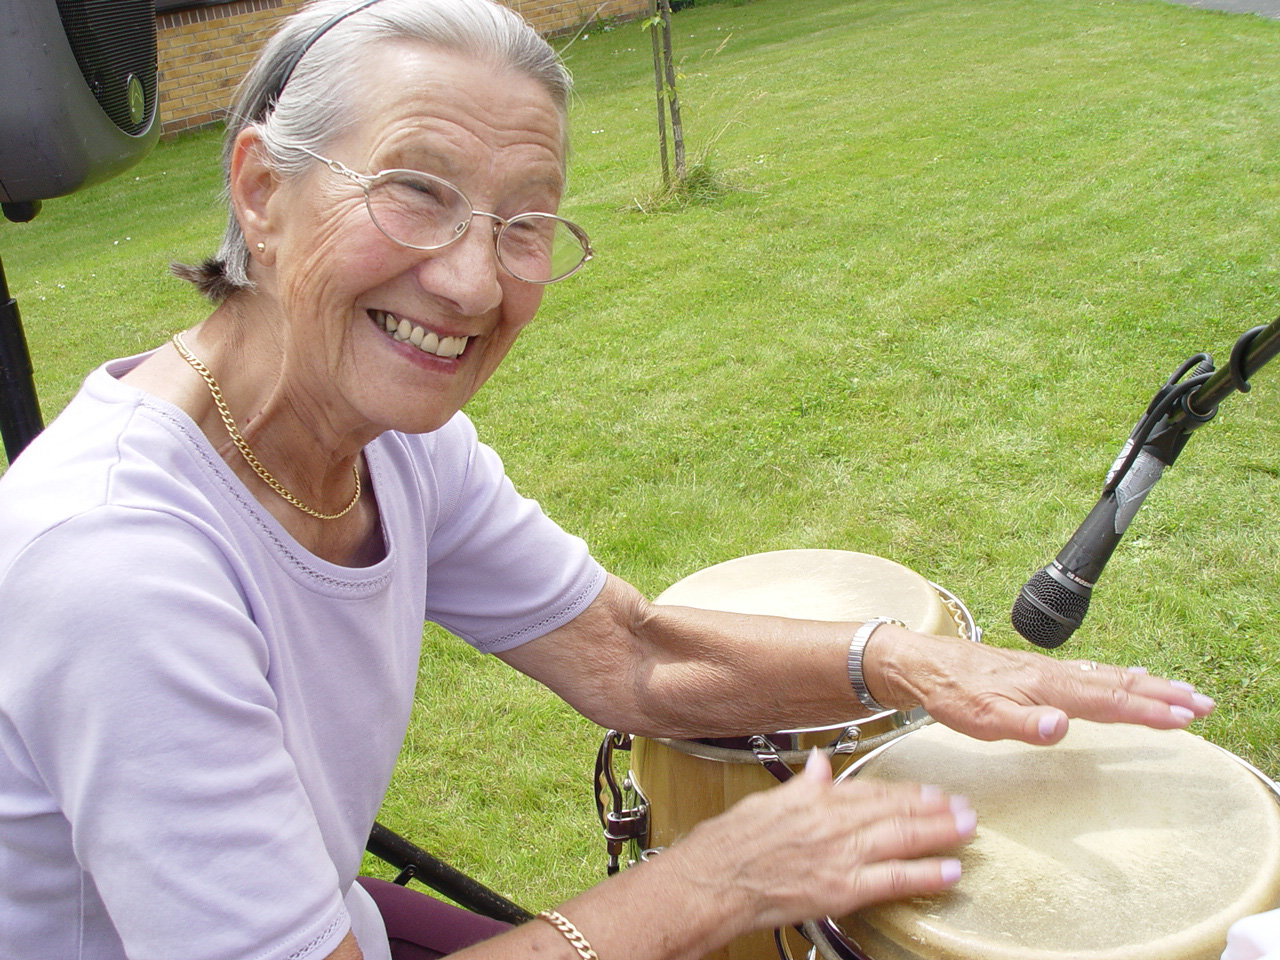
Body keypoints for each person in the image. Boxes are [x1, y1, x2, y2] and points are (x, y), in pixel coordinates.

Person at [0, 2, 1215, 959]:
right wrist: (720, 878)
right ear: (262, 191)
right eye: (417, 190)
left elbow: (625, 656)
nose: (474, 283)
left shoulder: (394, 434)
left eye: (526, 222)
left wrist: (899, 659)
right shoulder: (118, 566)